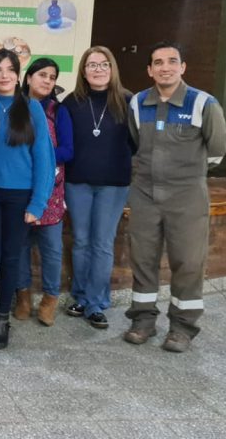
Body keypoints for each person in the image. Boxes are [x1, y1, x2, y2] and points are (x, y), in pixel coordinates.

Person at [124, 42, 226, 353]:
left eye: (172, 61)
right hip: (144, 194)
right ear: (149, 70)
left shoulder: (203, 103)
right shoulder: (138, 103)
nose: (165, 67)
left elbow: (217, 151)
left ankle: (182, 327)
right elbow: (135, 143)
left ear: (182, 67)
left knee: (188, 262)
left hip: (187, 196)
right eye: (158, 62)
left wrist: (183, 175)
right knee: (142, 259)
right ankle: (142, 320)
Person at [0, 49, 53, 350]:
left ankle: (2, 317)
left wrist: (38, 203)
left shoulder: (32, 108)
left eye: (10, 69)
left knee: (10, 258)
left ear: (19, 75)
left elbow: (44, 157)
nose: (4, 75)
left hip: (20, 197)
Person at [60, 46, 133, 330]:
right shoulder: (72, 102)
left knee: (102, 243)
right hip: (77, 182)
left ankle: (95, 302)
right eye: (92, 65)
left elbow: (137, 143)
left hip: (113, 183)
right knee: (81, 241)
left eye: (104, 64)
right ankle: (80, 296)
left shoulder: (128, 101)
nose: (98, 69)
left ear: (112, 68)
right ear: (83, 70)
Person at [15, 59, 73, 326]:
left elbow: (68, 150)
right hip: (19, 186)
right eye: (42, 75)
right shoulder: (15, 107)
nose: (47, 80)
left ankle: (50, 299)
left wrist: (40, 158)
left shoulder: (58, 111)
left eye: (52, 77)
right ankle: (22, 297)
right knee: (20, 247)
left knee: (51, 248)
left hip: (50, 190)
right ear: (28, 78)